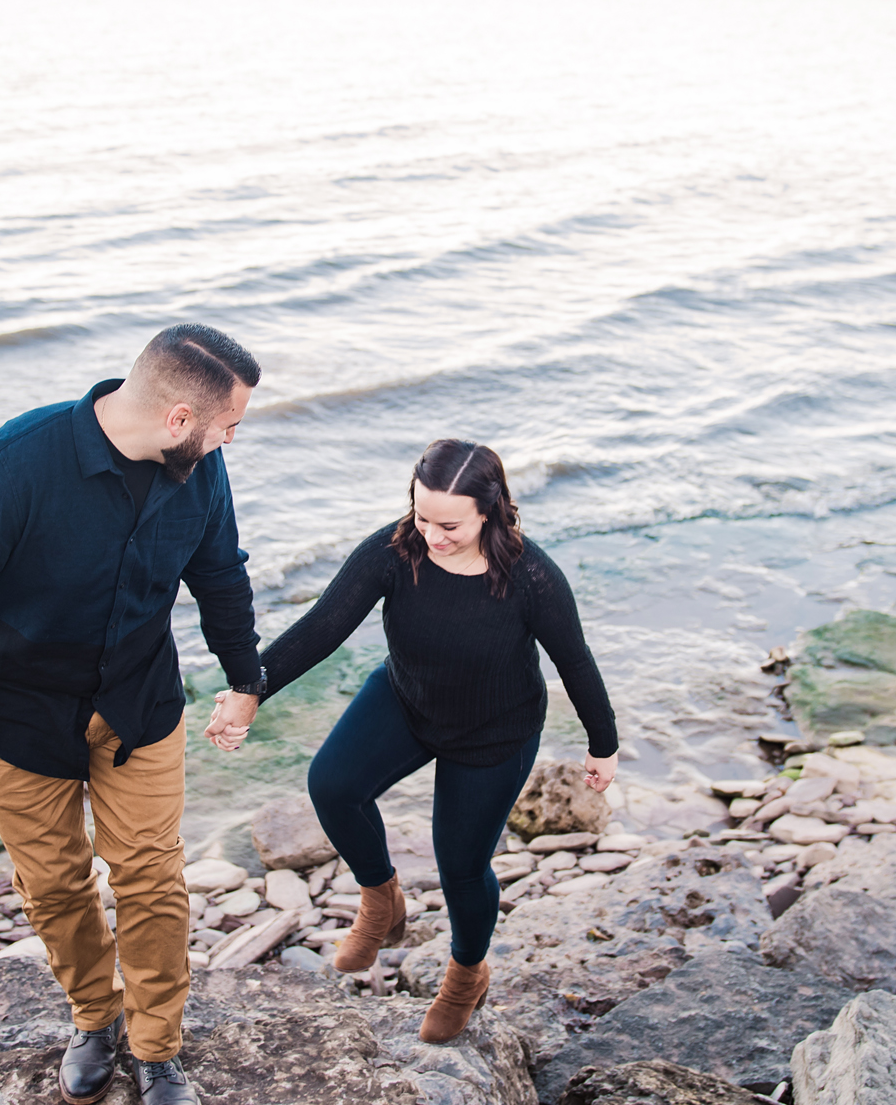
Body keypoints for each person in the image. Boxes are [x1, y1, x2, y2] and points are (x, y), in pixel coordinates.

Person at [0, 324, 266, 1105]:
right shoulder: (17, 463)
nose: (234, 437)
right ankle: (95, 1017)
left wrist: (244, 678)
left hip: (138, 704)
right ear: (176, 417)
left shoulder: (196, 467)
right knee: (54, 882)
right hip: (18, 714)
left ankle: (157, 1049)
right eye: (228, 422)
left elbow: (220, 571)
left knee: (151, 875)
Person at [203, 439, 618, 1042]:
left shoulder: (530, 575)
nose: (432, 534)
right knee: (333, 785)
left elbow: (574, 661)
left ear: (490, 511)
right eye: (423, 517)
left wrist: (601, 744)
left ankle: (465, 976)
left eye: (449, 524)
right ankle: (381, 900)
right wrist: (249, 689)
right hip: (406, 699)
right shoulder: (394, 550)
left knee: (461, 867)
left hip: (494, 733)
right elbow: (322, 627)